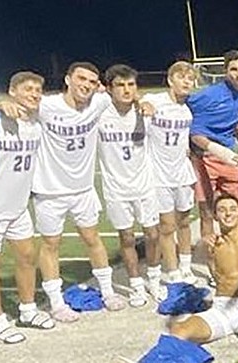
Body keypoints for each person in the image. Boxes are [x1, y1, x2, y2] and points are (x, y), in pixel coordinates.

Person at [109, 194, 238, 363]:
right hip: (221, 310)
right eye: (222, 210)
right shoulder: (211, 244)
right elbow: (201, 252)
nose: (228, 213)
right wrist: (204, 245)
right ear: (216, 217)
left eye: (232, 209)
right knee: (180, 329)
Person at [0, 71, 55, 345]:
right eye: (28, 89)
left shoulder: (35, 123)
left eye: (38, 90)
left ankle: (28, 309)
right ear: (12, 91)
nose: (34, 94)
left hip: (17, 206)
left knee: (28, 256)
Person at [34, 62, 120, 320]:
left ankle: (108, 291)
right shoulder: (47, 105)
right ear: (68, 79)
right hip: (50, 191)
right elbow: (10, 106)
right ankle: (57, 303)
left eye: (92, 82)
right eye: (81, 79)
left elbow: (126, 97)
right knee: (51, 244)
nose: (86, 85)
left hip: (83, 189)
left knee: (92, 239)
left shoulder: (99, 102)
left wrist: (141, 103)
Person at [96, 64, 161, 308]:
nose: (126, 90)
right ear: (110, 89)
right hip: (116, 188)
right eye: (120, 85)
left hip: (144, 185)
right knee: (126, 237)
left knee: (153, 234)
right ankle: (135, 284)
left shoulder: (145, 111)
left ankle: (154, 279)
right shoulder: (100, 113)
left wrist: (144, 103)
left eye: (131, 84)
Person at [188, 50, 238, 268]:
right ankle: (212, 262)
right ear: (225, 72)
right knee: (207, 211)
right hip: (204, 156)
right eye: (233, 69)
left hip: (229, 158)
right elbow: (183, 105)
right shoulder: (209, 94)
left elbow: (237, 128)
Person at [144, 61, 198, 289]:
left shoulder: (187, 109)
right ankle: (172, 269)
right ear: (170, 79)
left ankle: (186, 266)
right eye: (182, 77)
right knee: (167, 226)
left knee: (184, 221)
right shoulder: (156, 100)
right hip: (160, 175)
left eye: (190, 78)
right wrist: (143, 103)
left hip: (182, 173)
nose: (186, 82)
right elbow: (141, 101)